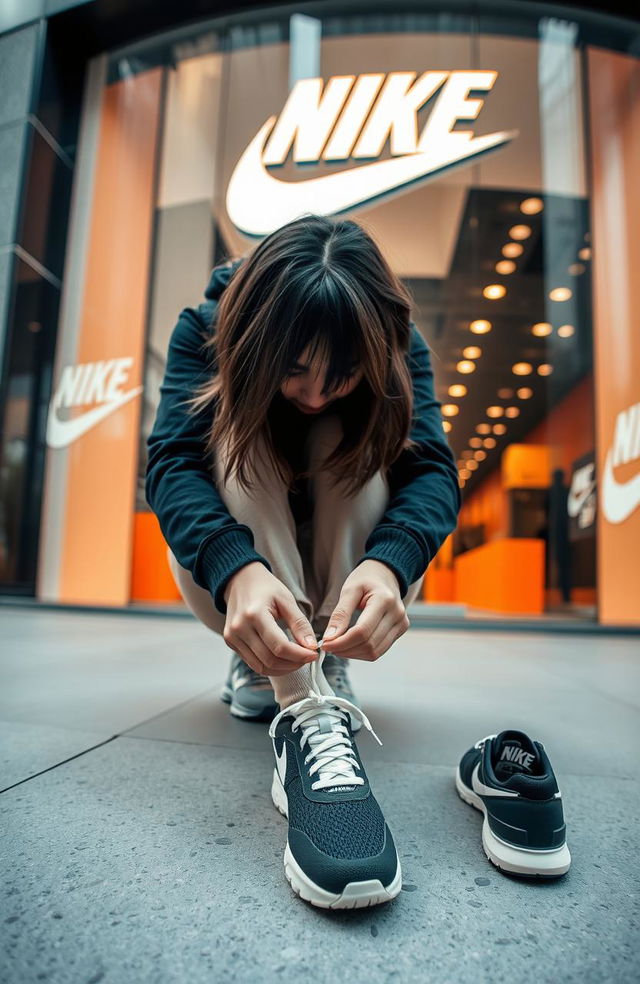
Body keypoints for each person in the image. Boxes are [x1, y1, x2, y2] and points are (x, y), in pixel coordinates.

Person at [145, 213, 461, 909]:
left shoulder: (397, 345)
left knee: (342, 439)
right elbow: (169, 464)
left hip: (347, 566)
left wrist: (388, 564)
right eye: (293, 370)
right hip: (226, 578)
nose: (316, 392)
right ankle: (301, 699)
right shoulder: (206, 328)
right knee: (237, 441)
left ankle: (316, 656)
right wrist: (237, 569)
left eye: (340, 374)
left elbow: (434, 471)